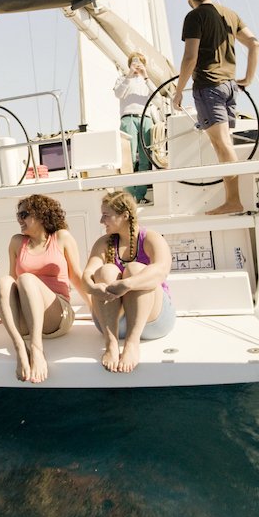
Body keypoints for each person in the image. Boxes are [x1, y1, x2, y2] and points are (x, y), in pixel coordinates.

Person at [172, 0, 259, 214]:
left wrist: (178, 92)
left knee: (221, 145)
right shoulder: (230, 14)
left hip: (209, 86)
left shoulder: (194, 16)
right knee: (224, 142)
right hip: (230, 87)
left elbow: (190, 57)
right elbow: (254, 44)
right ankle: (232, 199)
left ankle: (233, 201)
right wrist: (247, 79)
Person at [82, 190, 175, 373]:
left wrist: (128, 284)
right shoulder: (104, 243)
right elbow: (88, 274)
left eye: (106, 216)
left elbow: (161, 271)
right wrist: (92, 287)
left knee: (135, 269)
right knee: (106, 271)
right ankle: (111, 344)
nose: (102, 221)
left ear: (124, 216)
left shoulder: (150, 238)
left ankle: (132, 345)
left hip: (152, 321)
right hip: (112, 323)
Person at [0, 194, 84, 384]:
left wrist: (95, 307)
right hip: (26, 320)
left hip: (57, 314)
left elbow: (76, 276)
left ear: (41, 214)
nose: (19, 220)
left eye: (24, 214)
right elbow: (11, 281)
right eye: (18, 215)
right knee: (4, 281)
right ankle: (20, 347)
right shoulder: (17, 242)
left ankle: (36, 349)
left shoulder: (61, 238)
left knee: (26, 278)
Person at [114, 51, 155, 203]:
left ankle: (140, 195)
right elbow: (119, 94)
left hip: (146, 118)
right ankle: (129, 196)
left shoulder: (147, 81)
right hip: (128, 118)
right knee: (128, 158)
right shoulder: (123, 79)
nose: (137, 65)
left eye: (140, 63)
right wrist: (130, 75)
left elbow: (155, 95)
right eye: (135, 62)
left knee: (145, 158)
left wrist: (145, 76)